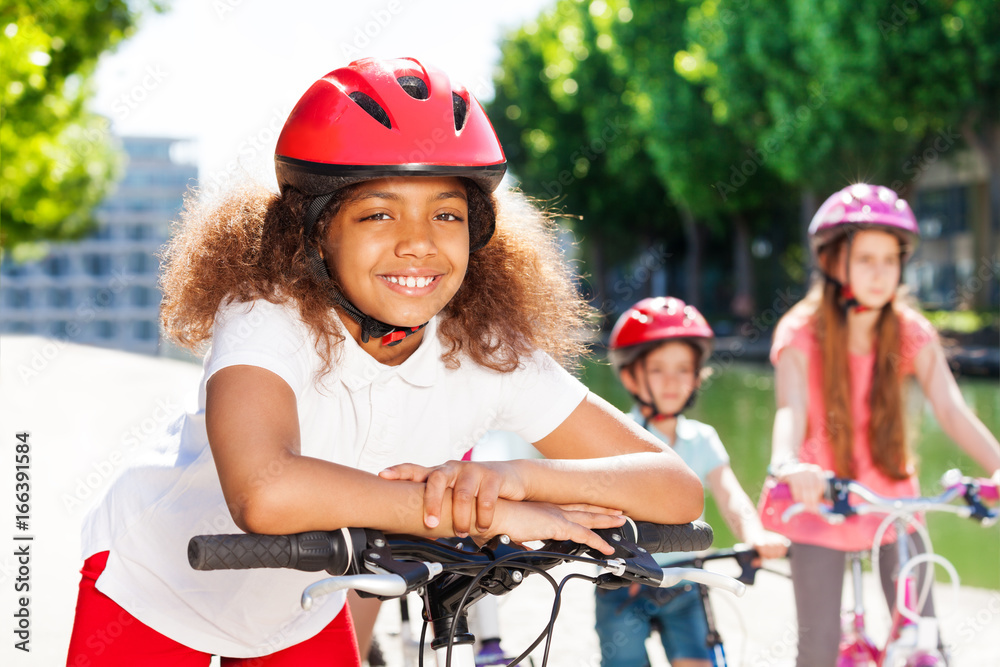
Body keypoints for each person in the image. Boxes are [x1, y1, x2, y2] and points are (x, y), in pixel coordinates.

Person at [65, 57, 704, 666]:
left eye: (446, 213)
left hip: (298, 613)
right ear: (315, 232)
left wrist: (514, 480)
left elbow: (673, 487)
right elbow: (265, 492)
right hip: (153, 585)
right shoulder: (266, 312)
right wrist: (480, 516)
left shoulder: (482, 348)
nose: (418, 243)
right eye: (378, 213)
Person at [762, 183, 1000, 667]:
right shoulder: (801, 331)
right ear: (832, 261)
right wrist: (788, 465)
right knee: (819, 649)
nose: (880, 273)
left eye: (890, 260)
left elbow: (952, 410)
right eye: (866, 259)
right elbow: (791, 410)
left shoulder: (911, 330)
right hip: (819, 501)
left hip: (894, 503)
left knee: (924, 643)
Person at [594, 297, 788, 667]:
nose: (672, 381)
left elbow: (730, 494)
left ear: (698, 376)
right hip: (622, 581)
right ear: (632, 375)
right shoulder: (616, 434)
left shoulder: (702, 438)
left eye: (683, 369)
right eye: (658, 369)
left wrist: (755, 533)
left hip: (685, 580)